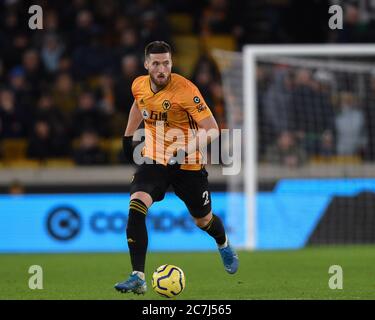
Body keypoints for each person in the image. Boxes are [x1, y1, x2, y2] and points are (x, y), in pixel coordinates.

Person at [114, 41, 238, 295]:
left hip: (188, 164)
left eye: (166, 63)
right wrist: (128, 136)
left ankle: (223, 243)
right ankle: (138, 275)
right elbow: (139, 103)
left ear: (171, 63)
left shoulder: (185, 90)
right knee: (136, 204)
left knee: (203, 220)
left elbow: (212, 129)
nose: (162, 69)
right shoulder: (138, 84)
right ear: (147, 64)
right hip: (154, 159)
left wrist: (184, 151)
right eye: (156, 63)